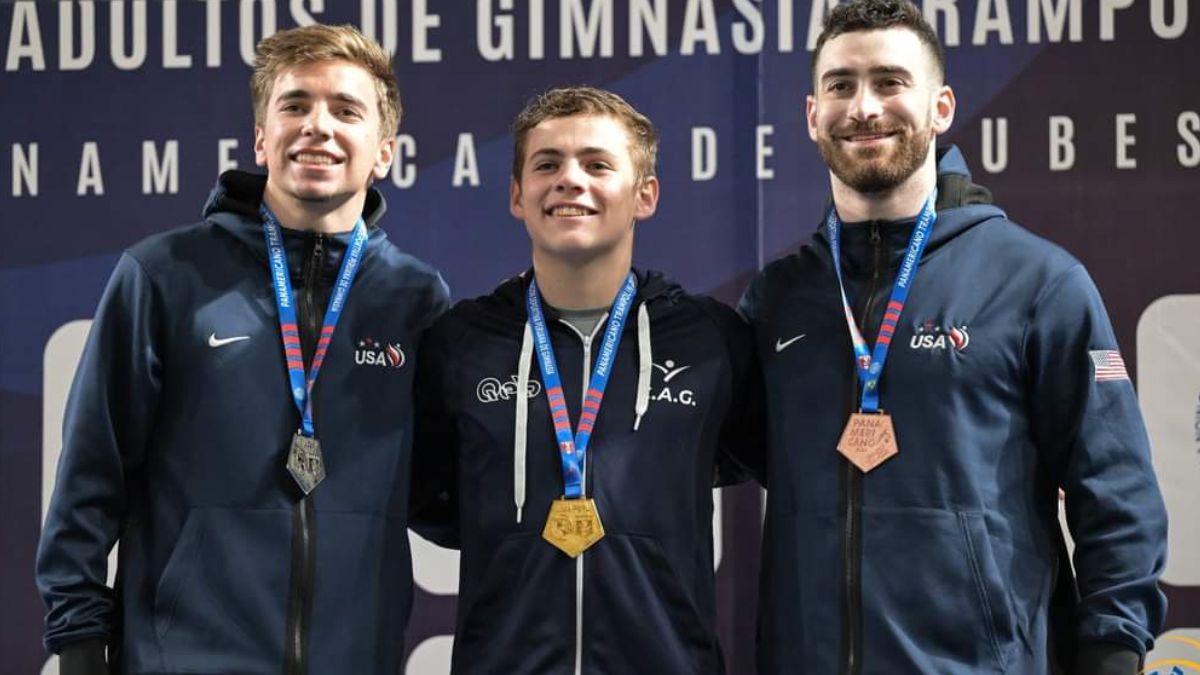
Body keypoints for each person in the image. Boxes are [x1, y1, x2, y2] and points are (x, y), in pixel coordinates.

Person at [737, 1, 1168, 674]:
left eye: (889, 82)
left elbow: (1115, 491)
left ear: (940, 108)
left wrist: (1113, 651)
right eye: (841, 86)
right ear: (812, 115)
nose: (864, 107)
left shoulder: (1037, 282)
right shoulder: (779, 299)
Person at [36, 24, 449, 675]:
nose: (318, 125)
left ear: (384, 151)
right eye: (295, 105)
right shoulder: (165, 274)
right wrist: (80, 645)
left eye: (346, 110)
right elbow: (91, 474)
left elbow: (439, 495)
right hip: (186, 660)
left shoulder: (415, 297)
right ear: (262, 137)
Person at [411, 86, 761, 674]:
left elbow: (742, 456)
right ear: (518, 196)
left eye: (598, 164)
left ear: (644, 195)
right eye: (547, 164)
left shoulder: (709, 340)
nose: (570, 180)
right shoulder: (462, 343)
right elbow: (433, 497)